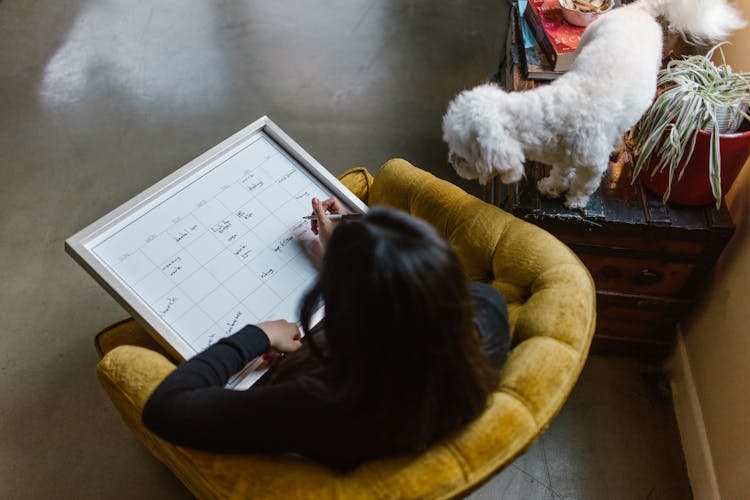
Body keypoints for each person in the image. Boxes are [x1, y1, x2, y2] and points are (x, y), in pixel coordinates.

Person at [142, 198, 510, 471]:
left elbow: (166, 408)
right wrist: (352, 251)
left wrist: (257, 335)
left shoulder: (323, 403)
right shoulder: (484, 321)